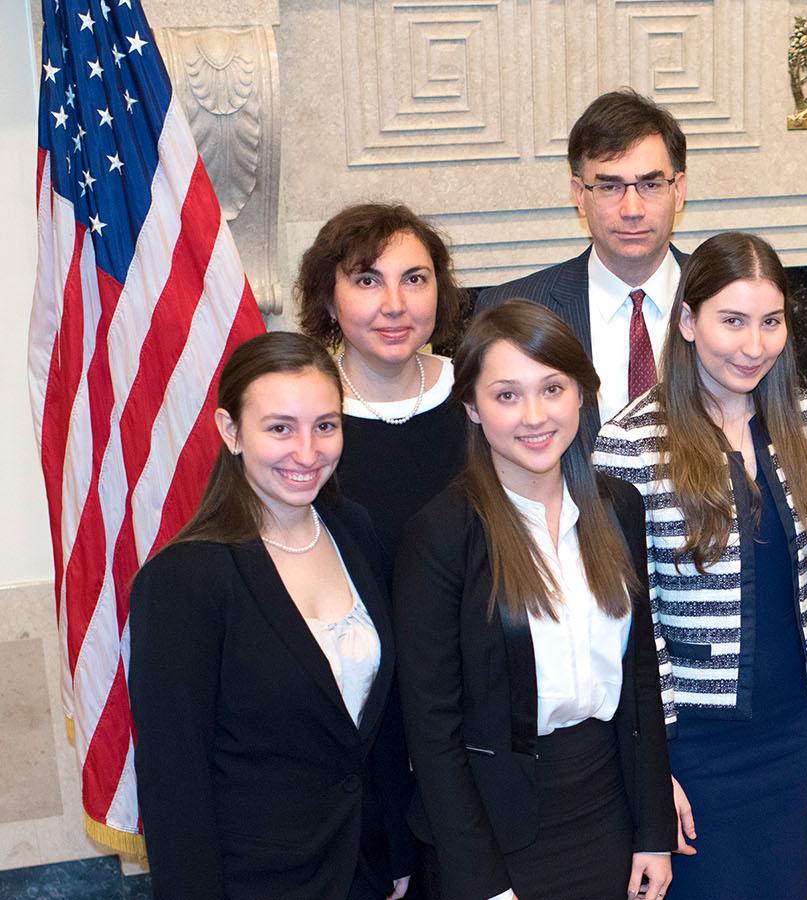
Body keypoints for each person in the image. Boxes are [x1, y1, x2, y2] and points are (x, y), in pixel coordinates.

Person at [592, 231, 807, 899]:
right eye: (732, 321)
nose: (754, 345)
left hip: (791, 732)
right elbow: (629, 622)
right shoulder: (629, 442)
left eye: (771, 322)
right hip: (693, 746)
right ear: (687, 322)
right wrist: (655, 770)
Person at [392, 302, 675, 900]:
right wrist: (482, 881)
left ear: (581, 395)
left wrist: (653, 831)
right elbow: (431, 731)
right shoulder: (442, 534)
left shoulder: (618, 507)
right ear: (471, 407)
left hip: (607, 815)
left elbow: (640, 678)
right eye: (507, 395)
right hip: (495, 835)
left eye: (553, 388)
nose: (535, 415)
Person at [129, 332, 414, 900]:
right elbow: (174, 786)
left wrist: (398, 855)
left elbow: (379, 726)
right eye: (280, 427)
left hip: (365, 869)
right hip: (253, 883)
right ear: (231, 431)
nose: (307, 453)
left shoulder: (355, 531)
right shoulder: (182, 580)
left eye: (325, 426)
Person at [475, 89, 690, 451]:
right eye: (610, 186)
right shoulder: (513, 309)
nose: (632, 208)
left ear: (679, 191)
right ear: (579, 194)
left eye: (651, 185)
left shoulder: (726, 300)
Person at [296, 202, 469, 570]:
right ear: (328, 299)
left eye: (414, 279)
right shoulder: (302, 413)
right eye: (367, 281)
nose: (395, 305)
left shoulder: (478, 392)